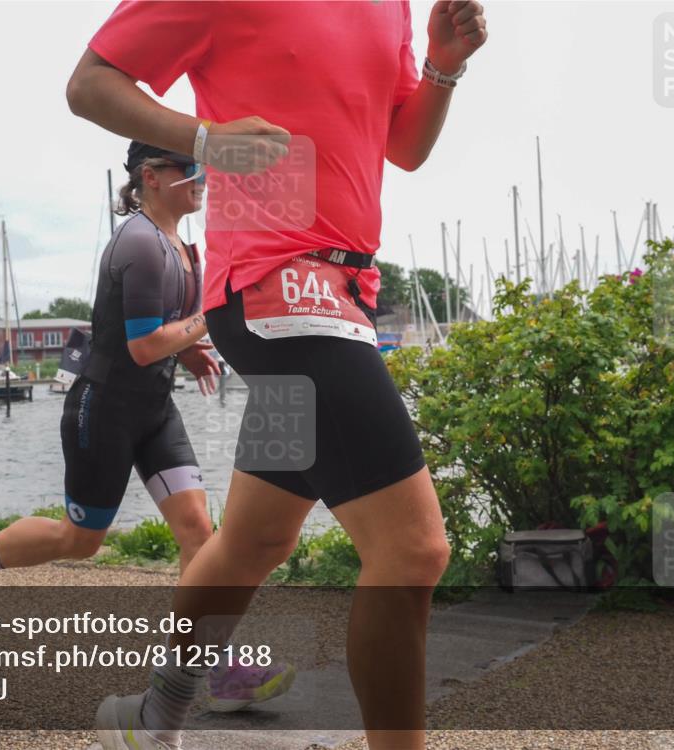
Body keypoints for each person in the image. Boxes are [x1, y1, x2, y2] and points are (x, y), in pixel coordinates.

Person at [66, 1, 488, 749]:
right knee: (413, 549)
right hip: (276, 286)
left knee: (253, 541)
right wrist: (204, 140)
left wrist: (442, 64)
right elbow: (91, 83)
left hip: (349, 292)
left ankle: (153, 718)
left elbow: (404, 145)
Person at [0, 140, 296, 713]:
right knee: (81, 542)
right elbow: (144, 346)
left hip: (153, 408)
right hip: (104, 409)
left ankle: (211, 668)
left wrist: (189, 352)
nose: (202, 178)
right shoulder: (140, 244)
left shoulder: (181, 247)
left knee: (199, 532)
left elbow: (160, 333)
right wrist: (205, 323)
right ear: (152, 175)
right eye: (190, 168)